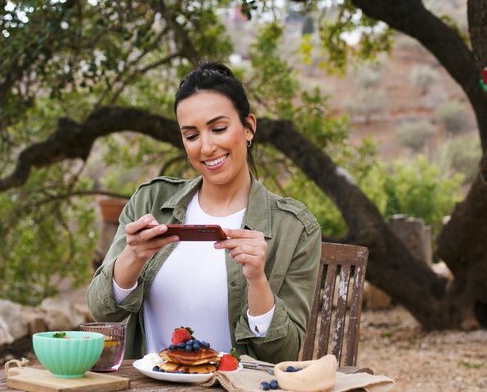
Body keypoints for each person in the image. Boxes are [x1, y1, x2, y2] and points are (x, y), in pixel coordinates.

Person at [86, 62, 321, 364]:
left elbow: (283, 354)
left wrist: (257, 280)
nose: (207, 147)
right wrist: (133, 257)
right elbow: (101, 312)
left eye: (218, 129)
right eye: (192, 135)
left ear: (249, 127)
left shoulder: (295, 228)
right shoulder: (151, 201)